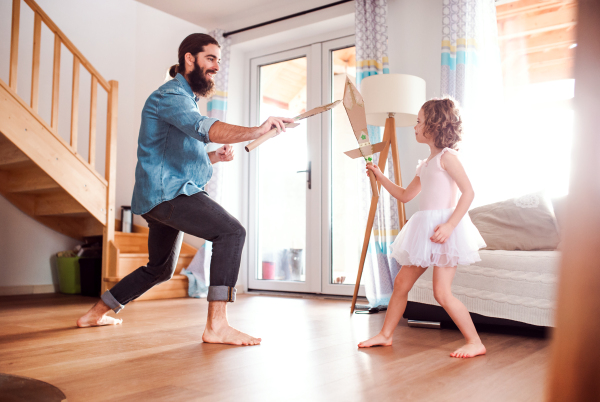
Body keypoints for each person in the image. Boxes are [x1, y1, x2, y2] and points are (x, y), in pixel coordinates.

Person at [76, 33, 294, 346]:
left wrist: (215, 157)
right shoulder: (171, 96)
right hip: (170, 195)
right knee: (231, 233)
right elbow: (203, 128)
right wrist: (257, 130)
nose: (216, 66)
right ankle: (217, 325)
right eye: (211, 58)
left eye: (219, 60)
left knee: (159, 269)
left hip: (161, 196)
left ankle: (96, 313)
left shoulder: (183, 100)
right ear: (189, 59)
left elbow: (175, 155)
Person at [357, 98, 487, 358]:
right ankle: (385, 334)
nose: (414, 127)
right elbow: (405, 195)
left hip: (444, 231)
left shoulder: (448, 158)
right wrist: (380, 175)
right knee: (401, 282)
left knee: (441, 292)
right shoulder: (426, 163)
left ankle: (475, 342)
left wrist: (450, 225)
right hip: (424, 230)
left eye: (418, 121)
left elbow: (468, 192)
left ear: (435, 125)